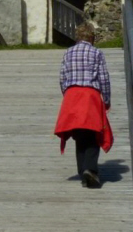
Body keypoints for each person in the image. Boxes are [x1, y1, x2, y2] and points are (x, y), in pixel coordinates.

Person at [54, 22, 113, 188]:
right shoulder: (96, 53)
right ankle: (91, 170)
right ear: (92, 37)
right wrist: (107, 99)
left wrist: (67, 94)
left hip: (72, 96)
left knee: (79, 135)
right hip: (90, 96)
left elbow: (62, 77)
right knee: (93, 133)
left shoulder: (68, 53)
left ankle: (82, 171)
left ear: (77, 37)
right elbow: (104, 78)